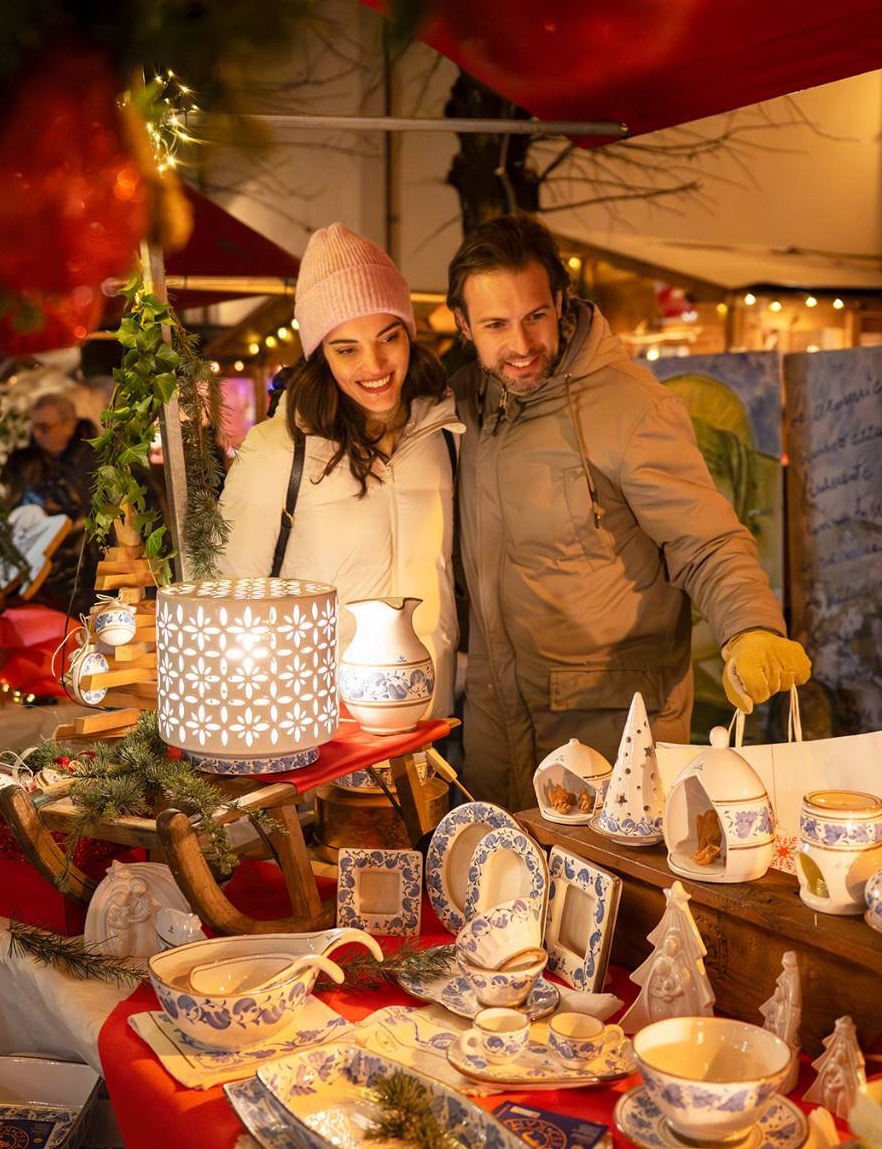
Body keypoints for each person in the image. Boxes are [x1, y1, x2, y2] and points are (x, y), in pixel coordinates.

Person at [447, 215, 811, 808]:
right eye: (495, 324)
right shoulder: (464, 402)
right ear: (464, 324)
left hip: (613, 730)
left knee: (617, 899)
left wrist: (750, 628)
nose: (520, 345)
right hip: (496, 725)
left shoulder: (631, 408)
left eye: (535, 316)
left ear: (560, 302)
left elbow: (706, 539)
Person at [217, 223, 462, 714]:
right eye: (346, 348)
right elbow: (230, 600)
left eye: (388, 337)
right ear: (319, 355)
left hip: (430, 721)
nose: (374, 365)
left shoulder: (443, 432)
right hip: (324, 729)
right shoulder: (278, 451)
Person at [0, 391, 100, 616]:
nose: (36, 433)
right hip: (37, 584)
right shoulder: (27, 462)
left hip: (88, 580)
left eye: (44, 427)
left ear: (69, 425)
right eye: (33, 426)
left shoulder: (98, 462)